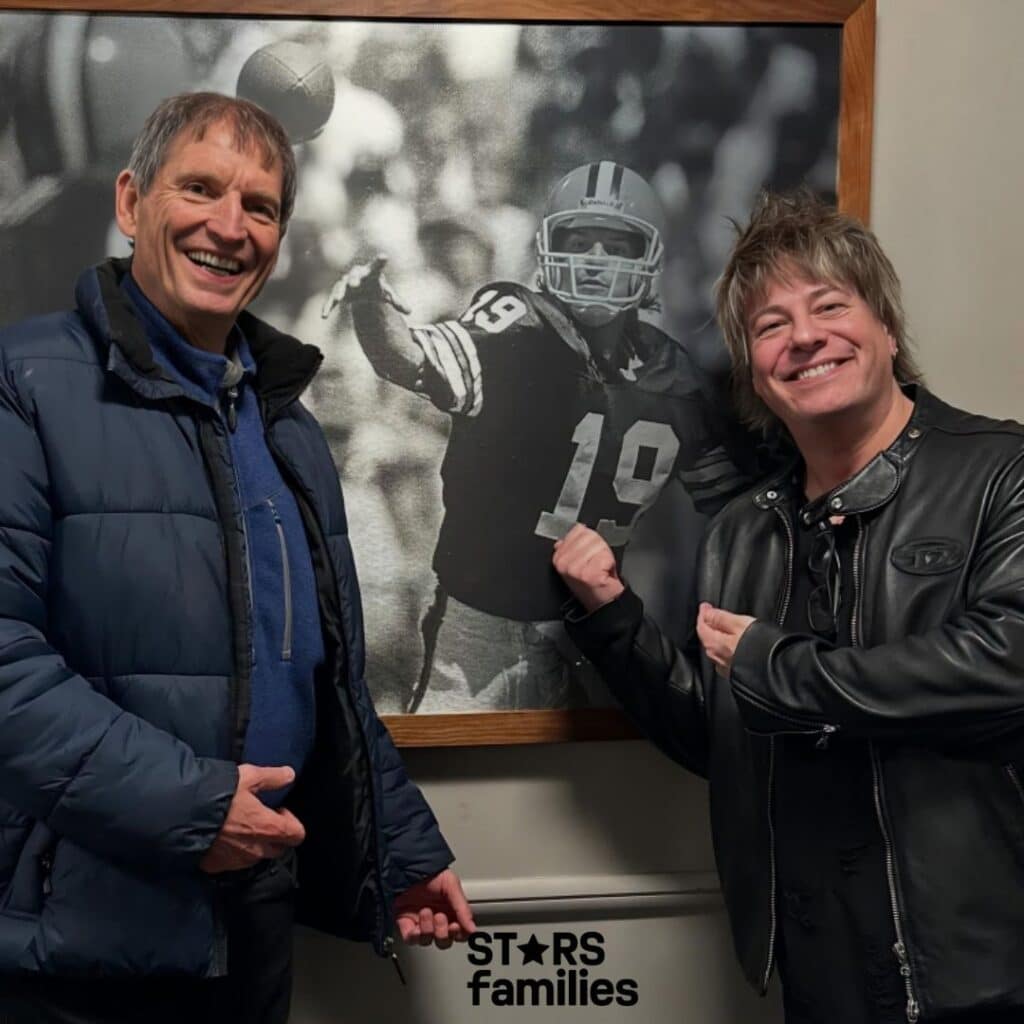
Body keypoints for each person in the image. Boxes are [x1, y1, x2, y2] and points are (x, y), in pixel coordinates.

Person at [0, 92, 474, 1024]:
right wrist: (193, 807)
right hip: (74, 949)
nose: (229, 226)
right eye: (201, 189)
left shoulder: (287, 430)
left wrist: (403, 852)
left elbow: (325, 680)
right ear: (133, 203)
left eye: (259, 206)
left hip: (255, 925)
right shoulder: (24, 383)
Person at [553, 190, 1024, 1023]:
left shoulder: (1000, 471)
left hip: (981, 970)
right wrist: (611, 617)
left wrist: (781, 666)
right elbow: (721, 736)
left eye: (829, 307)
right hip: (818, 971)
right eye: (771, 326)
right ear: (755, 375)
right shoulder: (741, 531)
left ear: (885, 327)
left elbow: (1006, 664)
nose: (803, 337)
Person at [323, 161, 748, 713]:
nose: (594, 260)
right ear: (548, 246)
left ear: (648, 256)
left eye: (615, 243)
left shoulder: (677, 376)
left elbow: (736, 512)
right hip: (481, 626)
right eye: (578, 240)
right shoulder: (518, 322)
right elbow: (408, 359)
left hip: (599, 630)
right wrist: (369, 306)